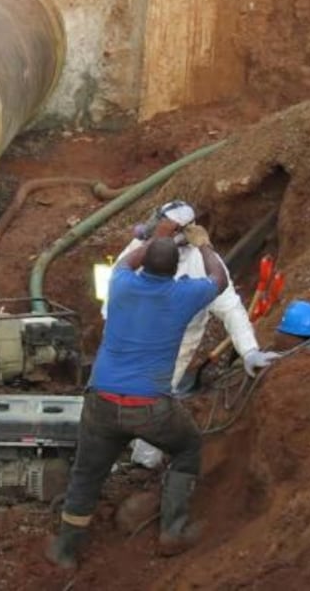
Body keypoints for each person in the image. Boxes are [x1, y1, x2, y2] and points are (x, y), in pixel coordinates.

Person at [47, 228, 227, 569]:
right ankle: (173, 529)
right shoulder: (183, 294)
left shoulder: (121, 282)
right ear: (176, 271)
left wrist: (156, 238)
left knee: (87, 474)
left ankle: (65, 551)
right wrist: (204, 244)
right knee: (187, 448)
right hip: (151, 408)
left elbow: (130, 259)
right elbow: (219, 279)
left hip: (101, 401)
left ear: (145, 262)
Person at [105, 200, 280, 468]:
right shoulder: (137, 251)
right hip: (130, 340)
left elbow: (231, 308)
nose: (153, 225)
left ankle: (141, 465)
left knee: (155, 403)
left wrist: (249, 350)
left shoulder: (201, 263)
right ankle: (114, 450)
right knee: (116, 398)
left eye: (162, 223)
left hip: (173, 349)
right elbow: (112, 296)